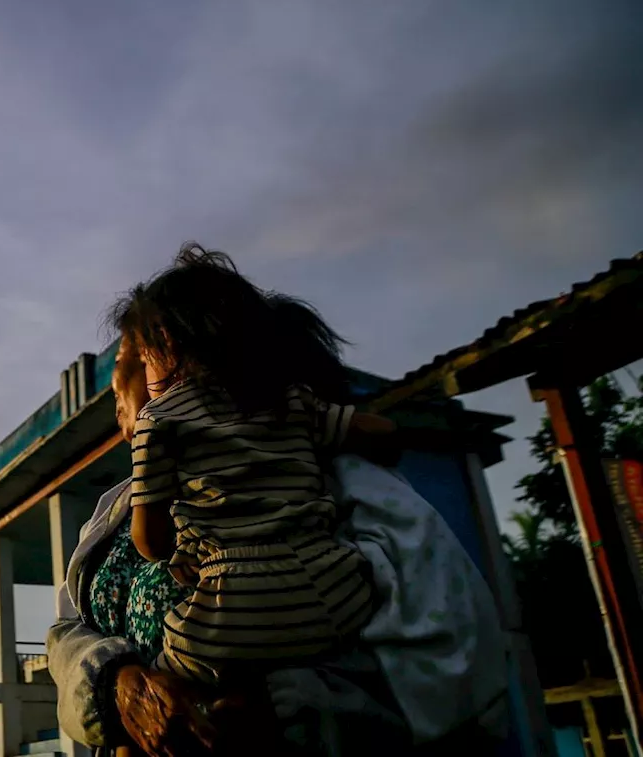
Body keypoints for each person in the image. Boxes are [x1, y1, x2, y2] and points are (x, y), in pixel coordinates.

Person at [47, 263, 510, 755]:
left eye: (132, 355)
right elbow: (66, 633)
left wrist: (291, 709)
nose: (117, 381)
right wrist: (117, 686)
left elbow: (453, 673)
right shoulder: (115, 509)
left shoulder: (335, 487)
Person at [110, 244, 396, 686]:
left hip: (235, 606)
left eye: (143, 358)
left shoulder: (159, 419)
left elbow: (149, 540)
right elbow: (382, 433)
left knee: (160, 689)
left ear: (164, 345)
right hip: (338, 593)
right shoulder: (290, 400)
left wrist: (181, 551)